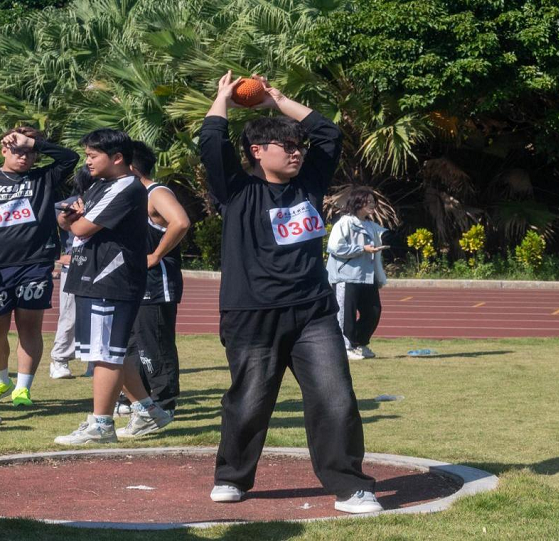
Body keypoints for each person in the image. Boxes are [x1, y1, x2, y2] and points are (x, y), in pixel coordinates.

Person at [199, 72, 382, 514]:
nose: (298, 151)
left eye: (299, 145)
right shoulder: (237, 190)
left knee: (335, 397)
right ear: (258, 151)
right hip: (251, 313)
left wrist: (278, 99)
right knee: (249, 400)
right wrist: (223, 98)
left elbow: (328, 133)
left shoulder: (309, 183)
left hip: (313, 312)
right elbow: (212, 143)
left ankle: (350, 485)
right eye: (287, 146)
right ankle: (232, 476)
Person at [54, 128, 172, 444]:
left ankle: (101, 424)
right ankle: (148, 411)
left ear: (117, 157)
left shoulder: (126, 187)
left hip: (110, 279)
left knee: (105, 354)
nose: (88, 161)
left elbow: (82, 226)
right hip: (92, 275)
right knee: (108, 353)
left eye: (93, 156)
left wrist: (72, 221)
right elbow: (69, 221)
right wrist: (69, 219)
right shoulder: (100, 185)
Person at [0, 127, 79, 407]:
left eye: (30, 152)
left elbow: (70, 158)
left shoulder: (43, 177)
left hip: (35, 265)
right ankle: (0, 381)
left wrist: (33, 142)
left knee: (29, 327)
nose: (24, 157)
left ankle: (22, 389)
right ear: (3, 149)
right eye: (18, 150)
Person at [120, 141, 190, 415]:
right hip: (131, 282)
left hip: (156, 283)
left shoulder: (155, 192)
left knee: (154, 343)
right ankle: (137, 398)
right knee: (131, 343)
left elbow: (181, 222)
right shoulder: (129, 195)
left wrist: (156, 254)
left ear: (130, 166)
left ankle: (164, 402)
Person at [326, 186, 388, 361]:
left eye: (374, 202)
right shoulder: (344, 223)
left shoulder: (371, 225)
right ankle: (345, 347)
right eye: (368, 201)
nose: (372, 205)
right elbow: (335, 247)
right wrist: (362, 249)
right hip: (345, 276)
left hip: (367, 276)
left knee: (373, 311)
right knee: (346, 315)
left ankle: (359, 343)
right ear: (357, 203)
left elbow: (381, 242)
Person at [49, 167, 95, 380]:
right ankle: (59, 360)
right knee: (70, 314)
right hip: (75, 264)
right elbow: (47, 232)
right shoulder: (65, 205)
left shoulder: (110, 201)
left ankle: (95, 361)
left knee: (100, 314)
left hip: (102, 264)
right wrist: (58, 257)